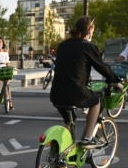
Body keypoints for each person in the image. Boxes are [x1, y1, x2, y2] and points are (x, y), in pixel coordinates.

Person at [50, 16, 122, 147]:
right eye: (93, 30)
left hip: (56, 93)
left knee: (69, 120)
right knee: (96, 102)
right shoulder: (88, 47)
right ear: (89, 30)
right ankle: (88, 138)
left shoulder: (62, 46)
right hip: (75, 92)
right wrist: (115, 81)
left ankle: (61, 151)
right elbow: (102, 67)